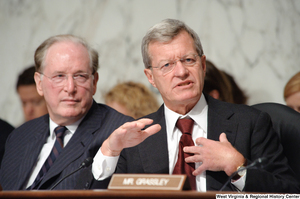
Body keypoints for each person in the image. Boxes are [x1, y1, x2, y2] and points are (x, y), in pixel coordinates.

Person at [92, 19, 299, 193]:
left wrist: (237, 167)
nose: (181, 72)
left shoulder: (251, 123)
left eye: (188, 60)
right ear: (151, 77)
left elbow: (289, 192)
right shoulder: (136, 137)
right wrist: (110, 150)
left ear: (202, 65)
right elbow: (97, 192)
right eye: (167, 65)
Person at [0, 34, 160, 190]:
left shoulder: (121, 132)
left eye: (80, 76)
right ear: (39, 83)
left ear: (94, 82)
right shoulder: (19, 137)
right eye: (59, 76)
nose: (70, 88)